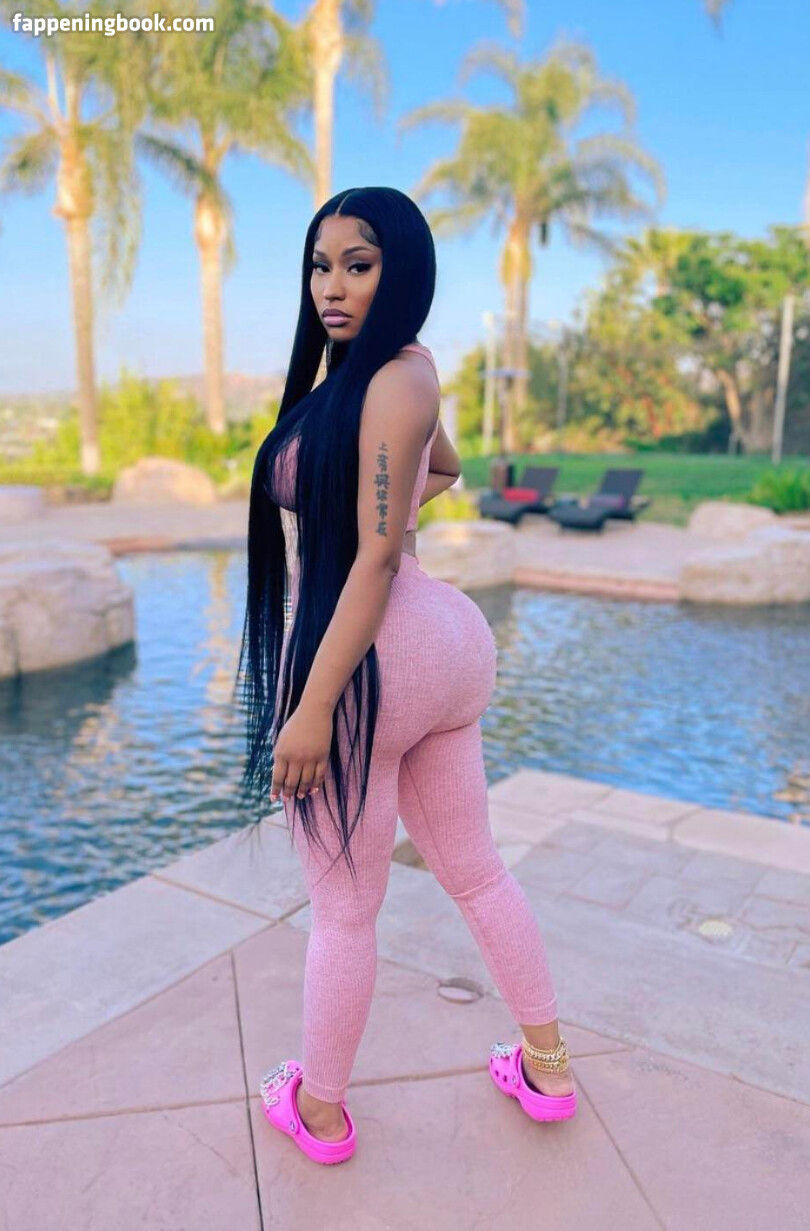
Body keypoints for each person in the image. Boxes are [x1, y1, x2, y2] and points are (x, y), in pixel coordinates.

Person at [235, 186, 577, 1166]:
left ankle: (320, 1110)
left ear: (403, 271)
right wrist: (373, 497)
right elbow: (448, 467)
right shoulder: (407, 373)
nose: (333, 286)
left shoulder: (386, 381)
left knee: (345, 910)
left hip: (370, 657)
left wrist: (311, 707)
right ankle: (548, 1066)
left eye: (359, 264)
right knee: (475, 868)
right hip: (443, 648)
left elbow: (376, 558)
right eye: (321, 265)